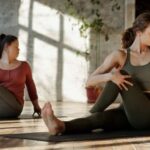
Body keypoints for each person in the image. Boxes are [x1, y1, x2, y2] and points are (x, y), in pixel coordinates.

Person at [42, 11, 150, 135]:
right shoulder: (120, 55)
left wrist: (114, 76)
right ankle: (60, 126)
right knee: (100, 119)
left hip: (147, 116)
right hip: (128, 112)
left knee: (121, 74)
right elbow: (89, 81)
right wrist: (110, 76)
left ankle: (91, 112)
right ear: (138, 33)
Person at [0, 34, 41, 119]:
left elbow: (31, 86)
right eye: (16, 47)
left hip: (15, 107)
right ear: (7, 47)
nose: (19, 50)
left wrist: (36, 106)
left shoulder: (24, 66)